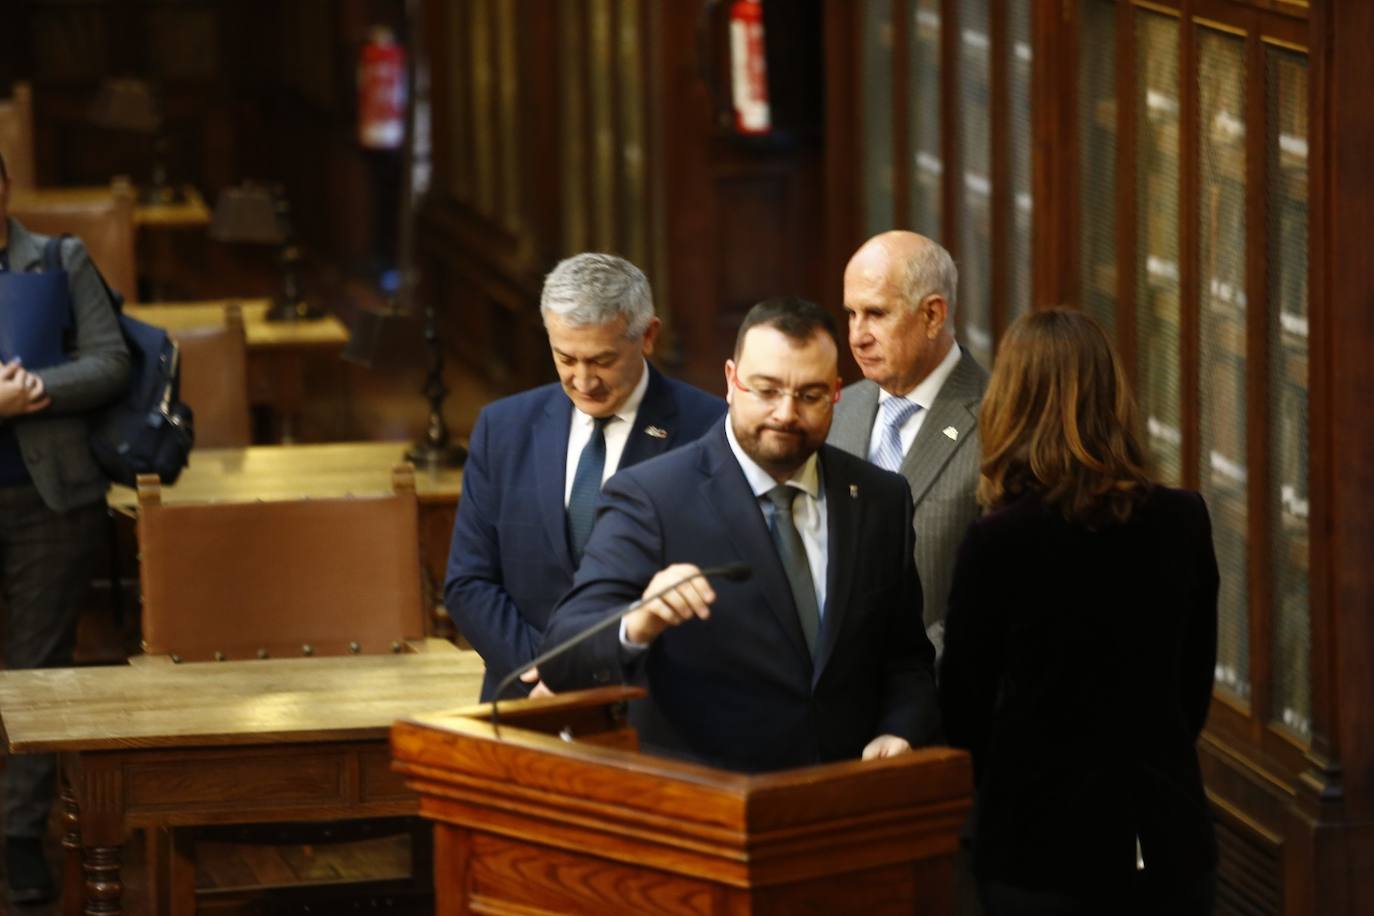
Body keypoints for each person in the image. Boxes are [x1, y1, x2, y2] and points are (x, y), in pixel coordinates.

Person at [539, 297, 939, 773]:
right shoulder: (652, 498)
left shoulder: (879, 499)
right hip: (708, 805)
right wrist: (637, 622)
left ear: (836, 392)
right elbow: (563, 655)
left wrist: (901, 728)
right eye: (766, 391)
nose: (785, 414)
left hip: (843, 802)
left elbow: (906, 657)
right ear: (731, 381)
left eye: (809, 395)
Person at [939, 308, 1219, 915]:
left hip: (1035, 851)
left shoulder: (997, 542)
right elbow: (1194, 684)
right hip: (1163, 837)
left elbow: (964, 708)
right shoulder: (1184, 519)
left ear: (1009, 403)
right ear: (1115, 399)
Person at [445, 252, 723, 702]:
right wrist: (545, 672)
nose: (583, 380)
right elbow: (468, 581)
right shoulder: (504, 428)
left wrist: (590, 673)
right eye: (565, 358)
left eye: (602, 360)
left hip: (653, 710)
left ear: (648, 336)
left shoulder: (708, 430)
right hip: (525, 701)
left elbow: (710, 588)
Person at [0, 151, 130, 904]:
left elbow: (111, 363)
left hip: (48, 498)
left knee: (36, 672)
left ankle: (19, 836)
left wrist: (34, 391)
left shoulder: (58, 258)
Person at [828, 230, 988, 655]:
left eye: (876, 314)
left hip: (943, 698)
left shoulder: (1000, 420)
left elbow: (999, 594)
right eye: (851, 314)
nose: (857, 336)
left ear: (933, 315)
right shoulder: (837, 411)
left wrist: (904, 677)